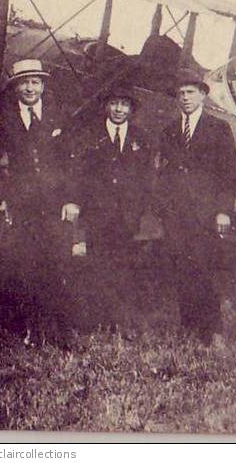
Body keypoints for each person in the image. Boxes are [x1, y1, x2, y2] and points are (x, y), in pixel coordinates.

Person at [0, 59, 80, 342]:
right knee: (24, 263)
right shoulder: (2, 118)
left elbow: (71, 163)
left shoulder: (59, 115)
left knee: (56, 262)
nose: (30, 88)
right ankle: (29, 328)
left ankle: (61, 330)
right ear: (15, 87)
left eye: (35, 82)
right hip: (21, 202)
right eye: (24, 82)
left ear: (43, 85)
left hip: (55, 203)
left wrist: (71, 199)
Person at [156, 69, 236, 345]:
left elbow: (229, 173)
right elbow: (163, 173)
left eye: (191, 92)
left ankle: (213, 329)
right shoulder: (169, 131)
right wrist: (164, 208)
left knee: (204, 269)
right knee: (181, 268)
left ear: (203, 95)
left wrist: (223, 210)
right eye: (180, 94)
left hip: (205, 214)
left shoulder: (219, 128)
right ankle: (188, 325)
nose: (185, 98)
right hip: (176, 214)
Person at [68, 82, 153, 328]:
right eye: (114, 103)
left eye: (124, 105)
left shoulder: (141, 138)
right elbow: (79, 172)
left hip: (127, 215)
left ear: (131, 109)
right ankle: (93, 319)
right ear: (107, 106)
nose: (118, 109)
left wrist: (138, 210)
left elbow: (147, 177)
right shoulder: (91, 135)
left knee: (123, 267)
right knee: (96, 264)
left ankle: (117, 320)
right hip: (97, 213)